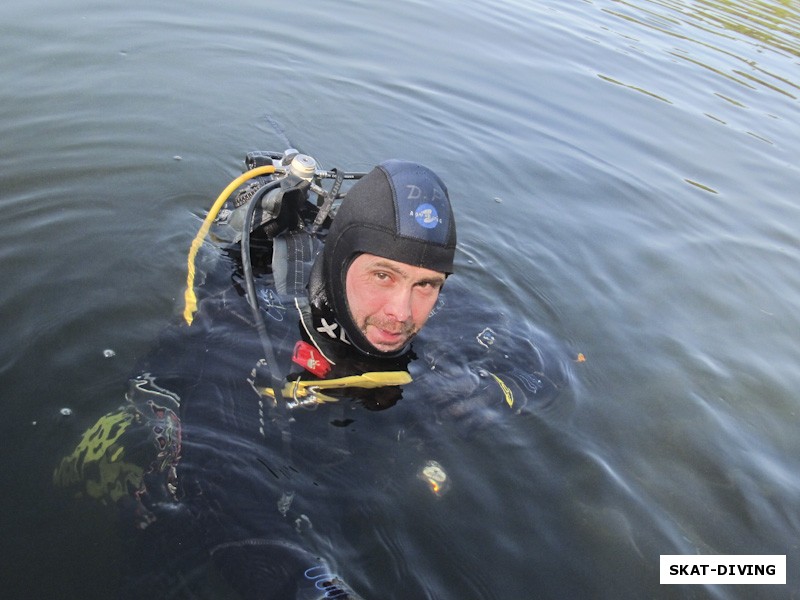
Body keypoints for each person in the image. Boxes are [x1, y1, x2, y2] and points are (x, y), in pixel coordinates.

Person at [54, 153, 568, 599]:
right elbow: (227, 500)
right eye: (382, 276)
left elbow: (543, 361)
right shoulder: (245, 330)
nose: (402, 312)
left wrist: (495, 393)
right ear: (342, 260)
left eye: (427, 285)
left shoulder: (424, 299)